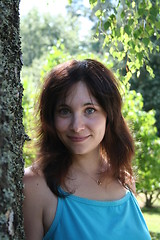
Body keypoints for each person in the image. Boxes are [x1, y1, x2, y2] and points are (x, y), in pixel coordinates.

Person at [23, 59, 151, 240]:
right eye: (65, 111)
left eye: (89, 110)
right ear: (51, 118)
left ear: (109, 115)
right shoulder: (34, 186)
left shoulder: (124, 180)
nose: (77, 126)